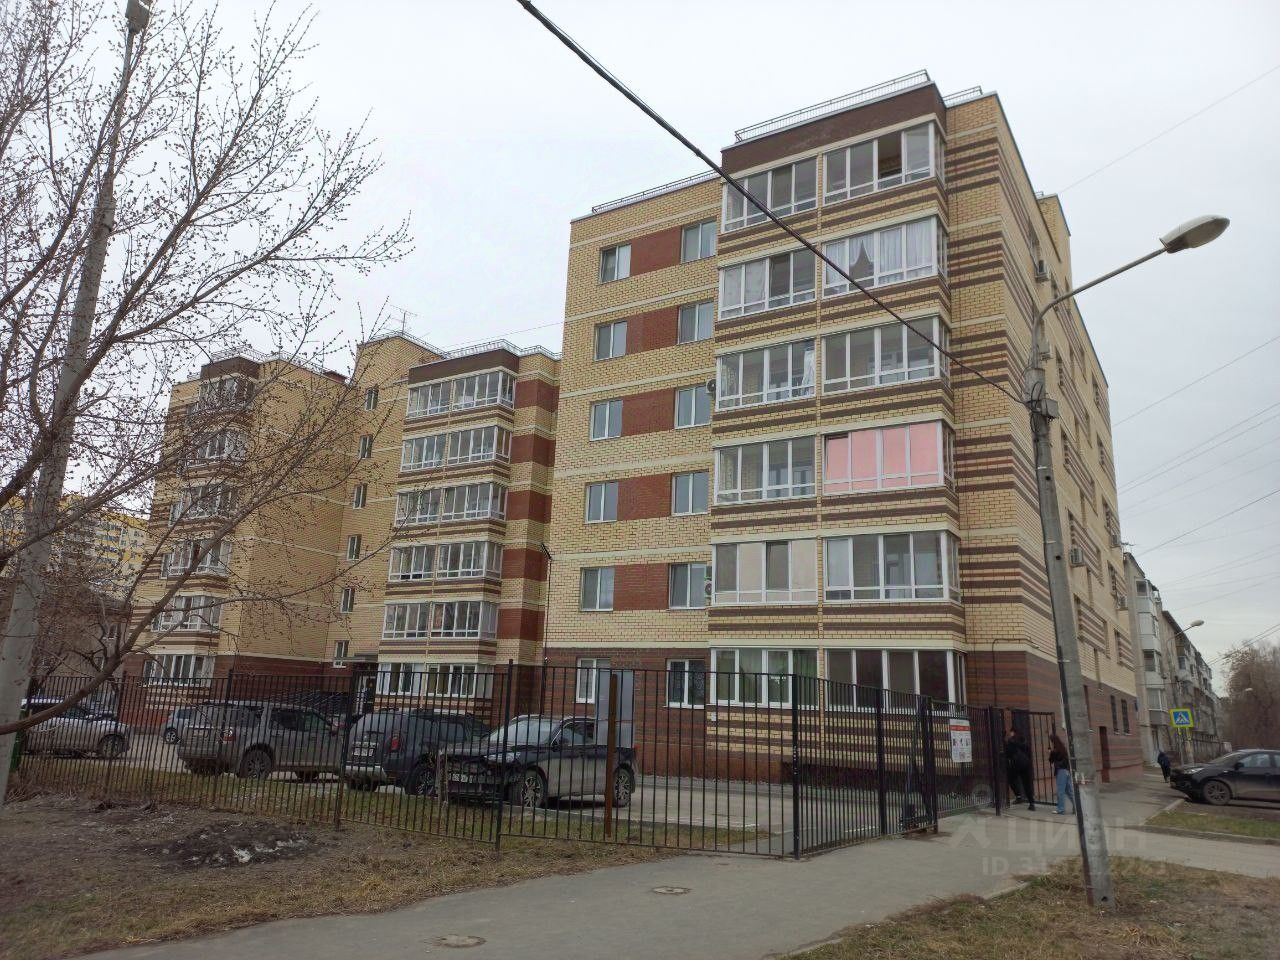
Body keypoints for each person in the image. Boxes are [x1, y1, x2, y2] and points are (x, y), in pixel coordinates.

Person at [1004, 729, 1036, 811]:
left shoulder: (1011, 742)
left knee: (1011, 779)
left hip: (1016, 766)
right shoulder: (1023, 741)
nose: (1010, 734)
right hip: (1025, 766)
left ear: (1013, 733)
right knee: (1027, 785)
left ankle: (1018, 796)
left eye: (1011, 732)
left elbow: (1007, 754)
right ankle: (1031, 803)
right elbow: (1029, 753)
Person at [1049, 733, 1075, 815]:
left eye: (1051, 741)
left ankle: (1060, 809)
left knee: (1061, 791)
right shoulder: (1063, 748)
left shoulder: (1055, 751)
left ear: (1053, 741)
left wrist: (1050, 752)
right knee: (1069, 791)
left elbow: (1051, 760)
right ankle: (1077, 807)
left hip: (1061, 771)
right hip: (1066, 771)